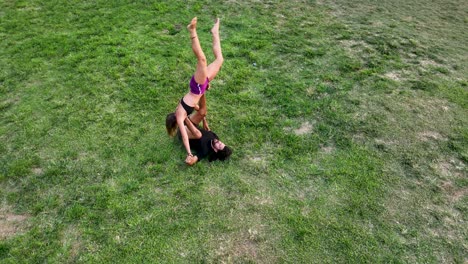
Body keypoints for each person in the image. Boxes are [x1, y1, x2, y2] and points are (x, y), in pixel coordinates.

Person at [167, 17, 224, 164]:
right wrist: (204, 120)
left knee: (202, 60)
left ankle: (193, 31)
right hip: (201, 87)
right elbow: (199, 110)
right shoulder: (183, 113)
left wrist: (189, 153)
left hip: (197, 86)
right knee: (219, 60)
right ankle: (214, 32)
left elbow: (185, 137)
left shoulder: (181, 114)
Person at [166, 94, 232, 165]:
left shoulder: (205, 150)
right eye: (221, 143)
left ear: (216, 150)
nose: (218, 142)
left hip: (184, 133)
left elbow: (193, 160)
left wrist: (190, 158)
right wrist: (204, 120)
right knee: (203, 112)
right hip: (192, 126)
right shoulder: (215, 138)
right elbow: (207, 130)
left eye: (219, 145)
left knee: (198, 135)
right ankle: (198, 95)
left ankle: (184, 116)